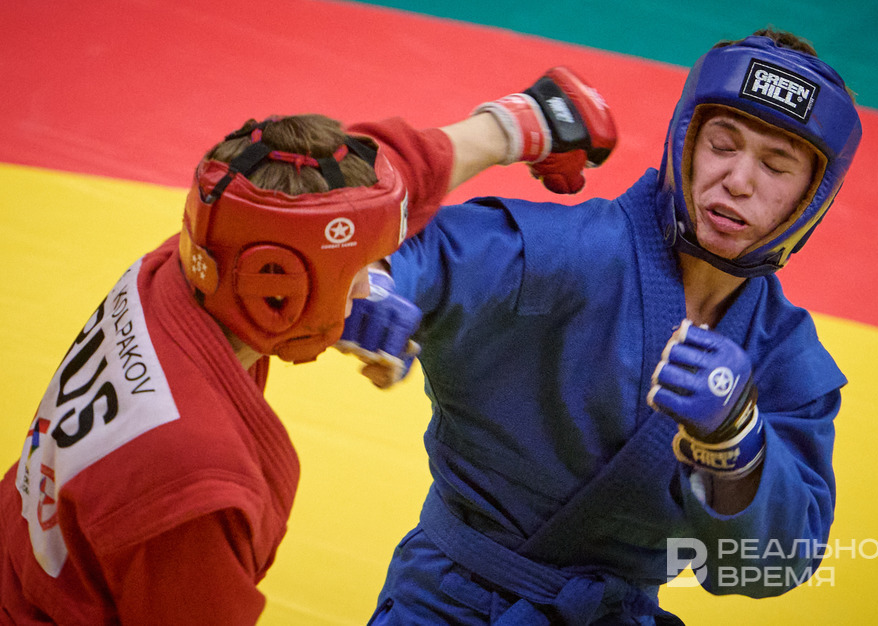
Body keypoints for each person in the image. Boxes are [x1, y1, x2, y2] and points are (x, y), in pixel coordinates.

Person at [0, 74, 617, 625]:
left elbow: (364, 184)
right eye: (360, 270)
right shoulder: (198, 479)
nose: (372, 285)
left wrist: (520, 124)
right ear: (278, 293)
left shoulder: (180, 268)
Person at [340, 28, 863, 625]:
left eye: (775, 165)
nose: (739, 180)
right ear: (686, 143)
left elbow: (773, 568)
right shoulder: (572, 253)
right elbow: (425, 251)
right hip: (448, 603)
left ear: (812, 197)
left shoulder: (787, 360)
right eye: (722, 145)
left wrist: (736, 448)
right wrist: (378, 280)